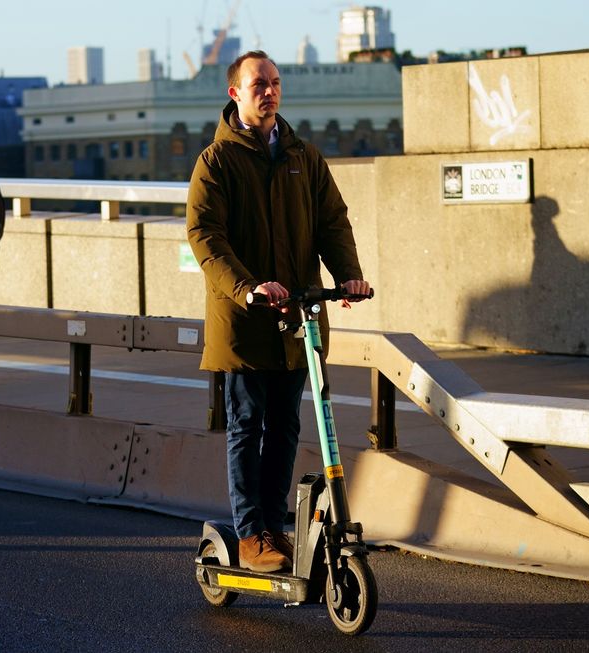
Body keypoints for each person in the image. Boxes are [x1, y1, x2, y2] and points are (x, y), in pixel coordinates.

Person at [186, 51, 371, 573]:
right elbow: (205, 238)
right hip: (244, 321)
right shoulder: (216, 162)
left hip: (297, 320)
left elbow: (333, 221)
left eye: (275, 83)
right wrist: (246, 288)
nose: (269, 91)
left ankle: (273, 525)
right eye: (258, 84)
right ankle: (250, 533)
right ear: (235, 94)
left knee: (286, 426)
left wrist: (347, 275)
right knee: (248, 425)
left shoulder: (303, 156)